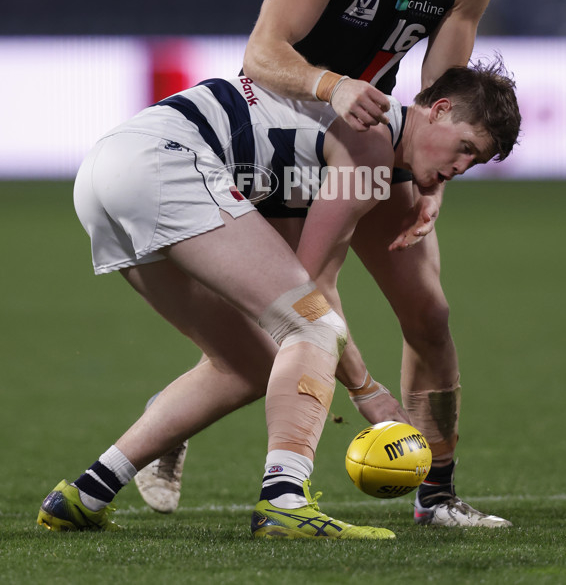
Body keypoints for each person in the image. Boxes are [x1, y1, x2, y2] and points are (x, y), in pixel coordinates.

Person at [136, 0, 513, 528]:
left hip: (371, 139)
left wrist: (432, 182)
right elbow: (262, 53)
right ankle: (174, 429)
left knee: (430, 315)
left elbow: (443, 99)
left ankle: (435, 497)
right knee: (304, 304)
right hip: (283, 131)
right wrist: (335, 86)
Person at [37, 61, 520, 537]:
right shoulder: (373, 139)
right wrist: (367, 391)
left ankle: (83, 496)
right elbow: (312, 290)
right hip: (163, 163)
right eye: (465, 148)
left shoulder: (360, 130)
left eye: (474, 162)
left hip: (107, 171)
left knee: (248, 365)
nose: (460, 167)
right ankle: (284, 502)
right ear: (437, 109)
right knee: (311, 324)